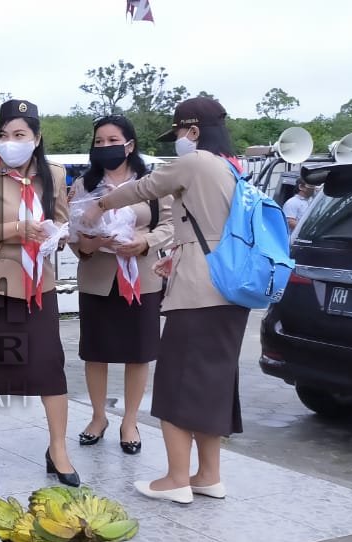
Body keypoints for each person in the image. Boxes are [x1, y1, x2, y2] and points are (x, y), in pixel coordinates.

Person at [83, 96, 248, 504]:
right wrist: (175, 256)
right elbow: (205, 229)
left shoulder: (196, 162)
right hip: (230, 290)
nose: (177, 140)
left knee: (176, 382)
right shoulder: (233, 167)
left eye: (178, 132)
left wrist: (98, 206)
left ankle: (176, 479)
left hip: (198, 293)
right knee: (213, 383)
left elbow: (145, 187)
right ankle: (208, 475)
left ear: (192, 131)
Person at [0, 99, 78, 486]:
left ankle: (57, 447)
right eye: (4, 135)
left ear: (37, 138)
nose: (10, 142)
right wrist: (15, 229)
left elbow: (61, 223)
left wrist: (54, 237)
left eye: (20, 135)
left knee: (48, 364)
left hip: (36, 286)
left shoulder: (53, 175)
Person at [69, 115, 174, 455]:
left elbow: (171, 225)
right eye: (98, 142)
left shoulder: (153, 182)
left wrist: (144, 243)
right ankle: (98, 417)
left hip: (141, 278)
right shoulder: (85, 185)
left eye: (111, 140)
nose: (104, 147)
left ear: (129, 145)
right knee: (96, 352)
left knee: (138, 353)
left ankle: (130, 421)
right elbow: (74, 232)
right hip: (99, 278)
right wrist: (94, 243)